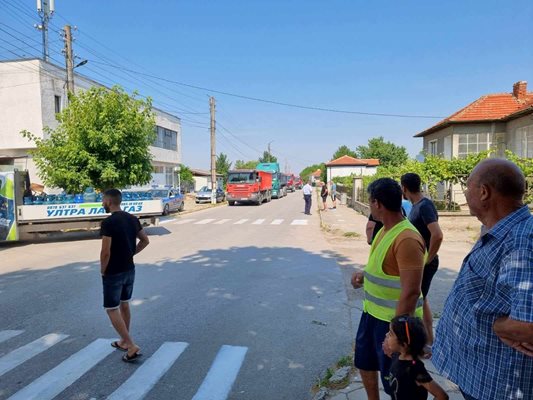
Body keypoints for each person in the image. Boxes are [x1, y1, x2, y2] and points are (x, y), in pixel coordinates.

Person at [432, 158, 533, 400]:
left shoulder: (520, 244)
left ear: (484, 192)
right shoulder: (501, 229)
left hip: (496, 385)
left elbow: (528, 325)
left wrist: (499, 326)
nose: (465, 194)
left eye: (468, 187)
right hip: (480, 373)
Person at [351, 178, 426, 399]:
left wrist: (396, 334)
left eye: (370, 201)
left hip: (393, 323)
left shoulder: (407, 238)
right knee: (364, 361)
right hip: (371, 316)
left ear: (377, 203)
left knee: (397, 381)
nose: (369, 206)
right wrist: (364, 276)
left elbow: (411, 291)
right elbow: (388, 270)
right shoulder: (384, 230)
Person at [100, 188, 150, 362]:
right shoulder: (132, 219)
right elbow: (145, 240)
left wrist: (103, 270)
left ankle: (130, 345)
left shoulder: (108, 223)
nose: (102, 203)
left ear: (109, 201)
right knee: (124, 304)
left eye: (103, 200)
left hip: (113, 271)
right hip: (129, 269)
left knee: (111, 308)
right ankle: (123, 341)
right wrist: (131, 253)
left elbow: (105, 251)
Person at [400, 173, 443, 350]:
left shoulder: (425, 206)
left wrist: (428, 258)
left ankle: (416, 343)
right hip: (421, 262)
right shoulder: (416, 205)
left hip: (426, 263)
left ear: (404, 188)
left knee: (415, 300)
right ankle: (429, 341)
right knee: (422, 300)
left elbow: (437, 234)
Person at [384, 314, 449, 400]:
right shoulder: (397, 355)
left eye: (391, 334)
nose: (386, 335)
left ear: (404, 344)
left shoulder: (414, 369)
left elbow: (442, 395)